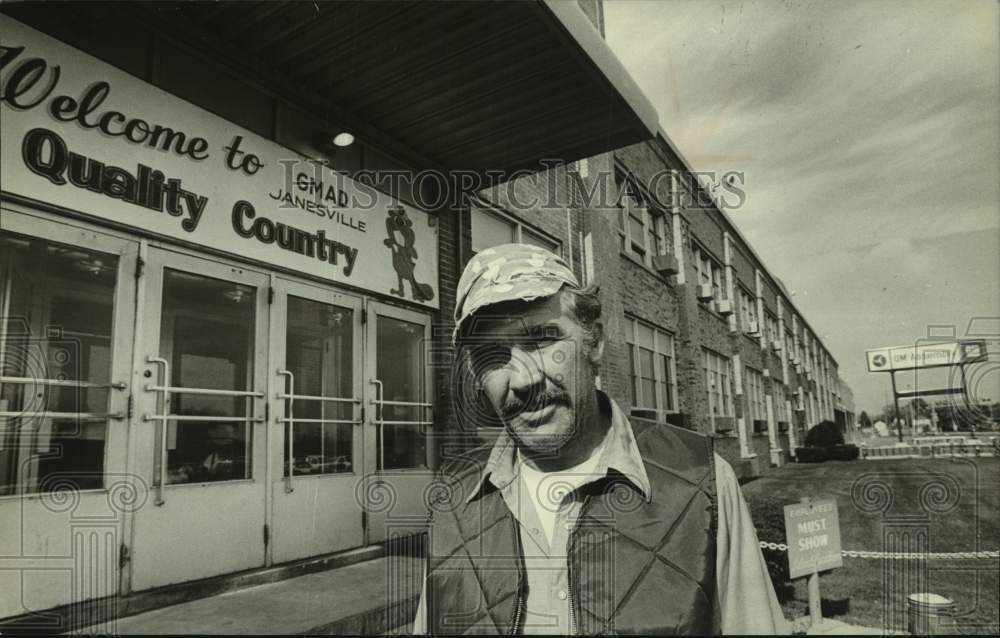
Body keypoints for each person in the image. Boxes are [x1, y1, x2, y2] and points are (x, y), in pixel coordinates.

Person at [413, 243, 787, 635]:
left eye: (542, 339)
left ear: (595, 342)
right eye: (493, 356)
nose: (523, 379)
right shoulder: (453, 502)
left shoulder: (701, 482)